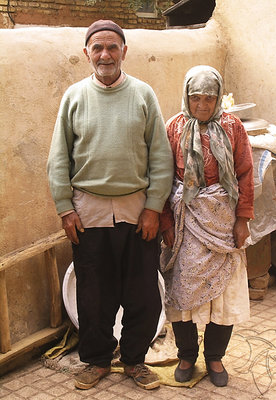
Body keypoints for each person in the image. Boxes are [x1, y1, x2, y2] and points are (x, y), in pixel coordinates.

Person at [47, 19, 173, 391]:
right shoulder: (73, 97)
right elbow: (58, 159)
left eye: (112, 47)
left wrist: (153, 208)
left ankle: (135, 360)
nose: (105, 54)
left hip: (138, 213)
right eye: (97, 48)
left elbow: (160, 158)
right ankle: (97, 361)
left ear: (124, 51)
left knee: (143, 293)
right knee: (93, 293)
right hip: (88, 213)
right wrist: (65, 208)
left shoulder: (143, 94)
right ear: (87, 53)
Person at [160, 65, 254, 387]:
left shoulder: (233, 128)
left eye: (209, 99)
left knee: (224, 293)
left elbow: (244, 174)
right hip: (186, 223)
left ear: (218, 100)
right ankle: (187, 354)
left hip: (223, 225)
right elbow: (162, 178)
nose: (202, 105)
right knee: (182, 291)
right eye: (195, 98)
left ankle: (214, 356)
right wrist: (165, 222)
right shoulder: (174, 128)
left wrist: (242, 220)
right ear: (186, 97)